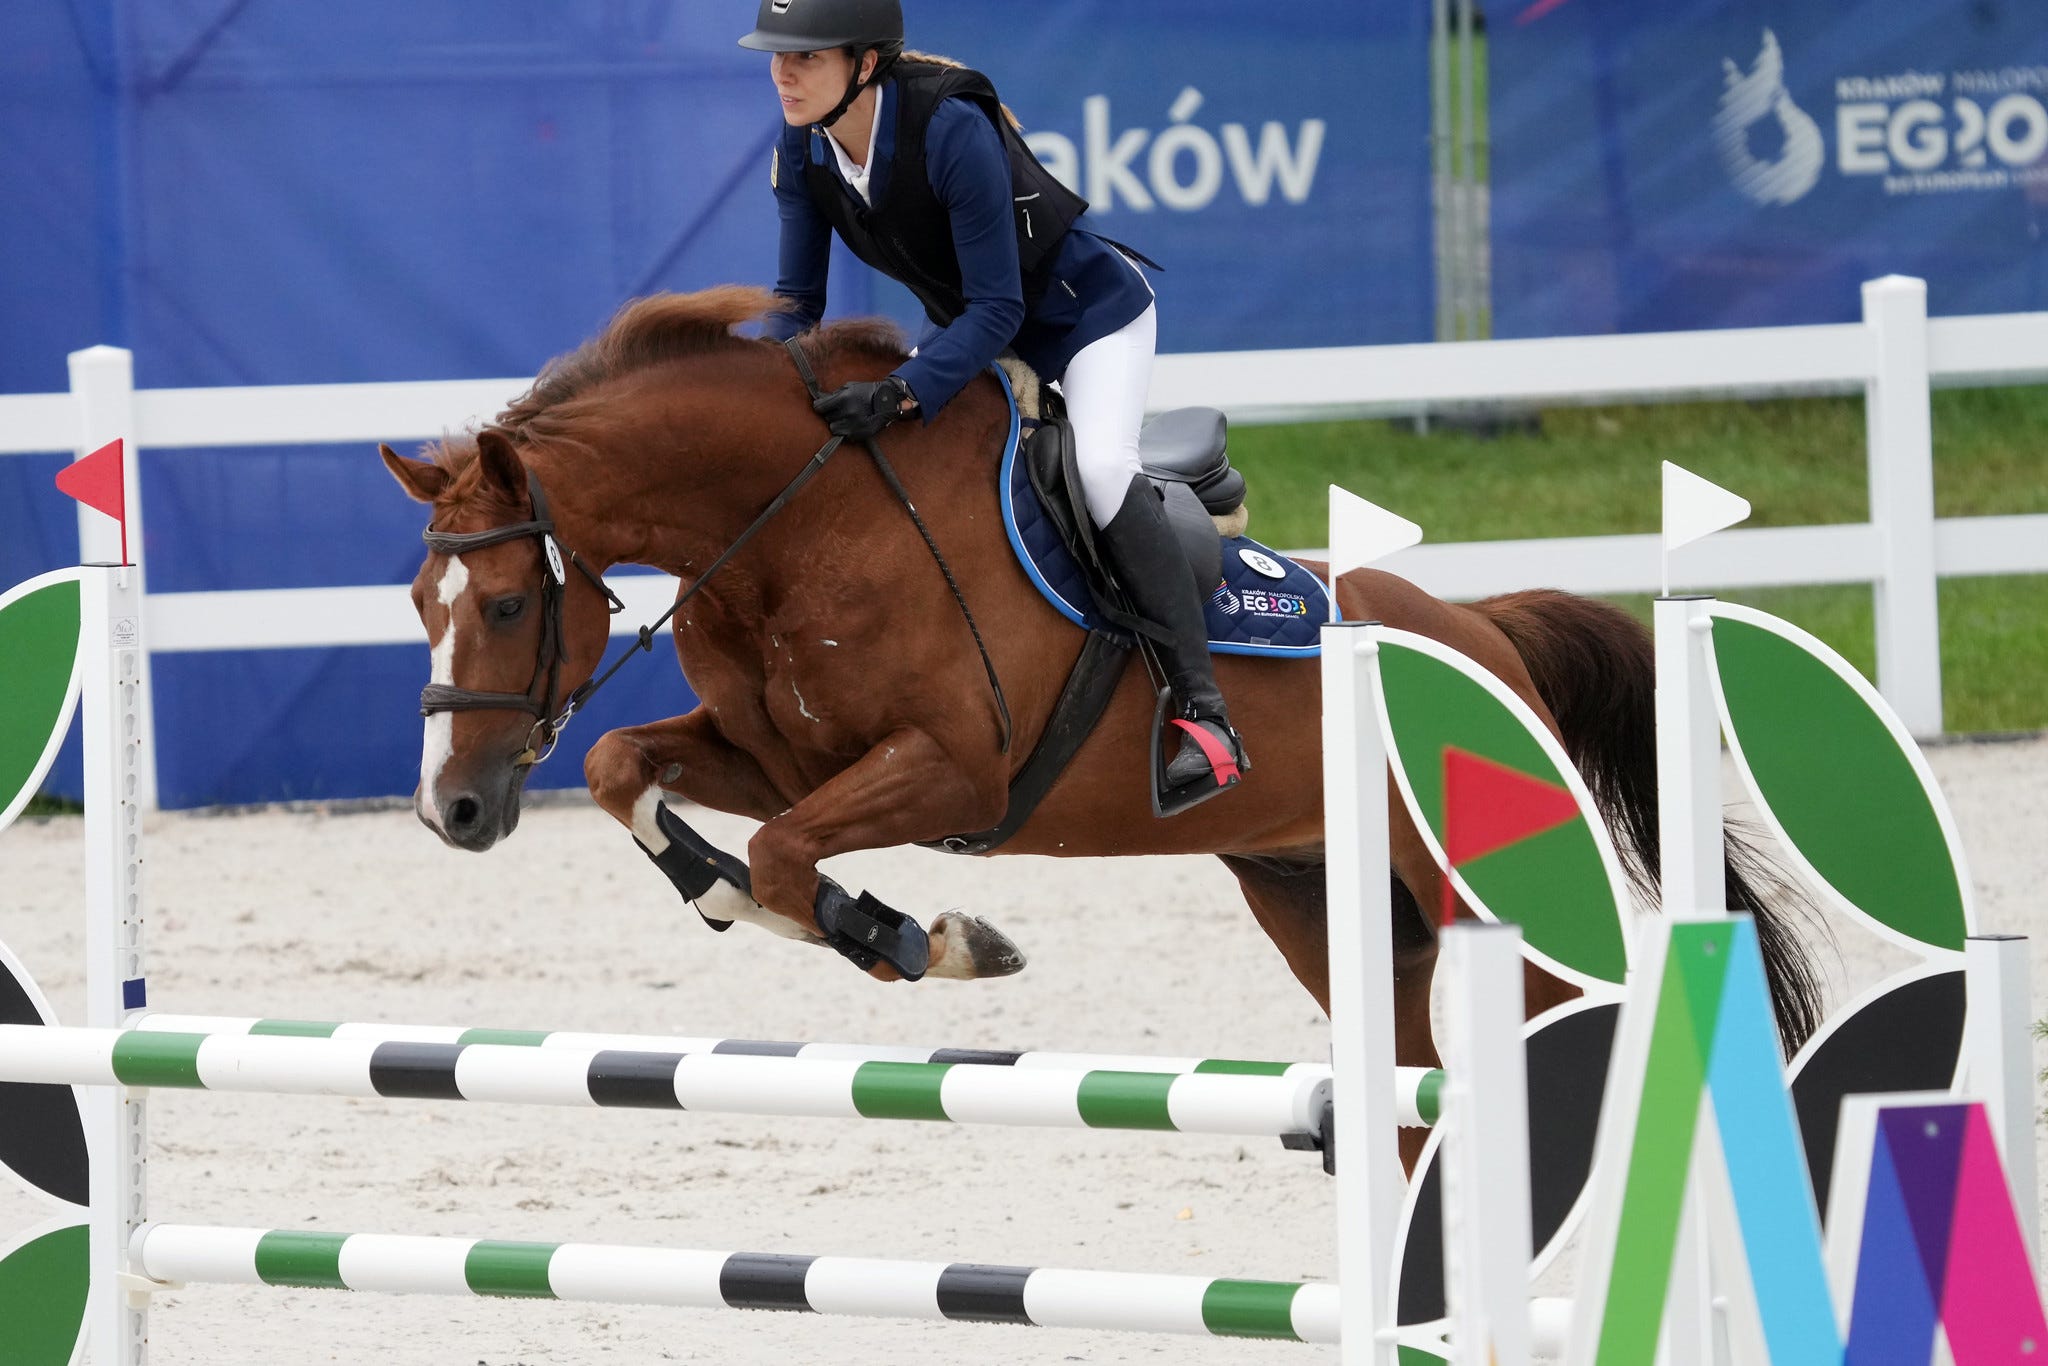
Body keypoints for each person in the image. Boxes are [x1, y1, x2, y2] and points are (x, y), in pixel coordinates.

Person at [739, 0, 1249, 802]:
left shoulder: (948, 131)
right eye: (777, 56)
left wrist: (905, 390)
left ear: (864, 65)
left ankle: (1207, 717)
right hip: (973, 327)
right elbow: (796, 303)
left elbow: (1000, 309)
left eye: (805, 57)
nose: (782, 73)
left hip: (1086, 322)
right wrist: (744, 375)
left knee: (1103, 469)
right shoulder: (802, 147)